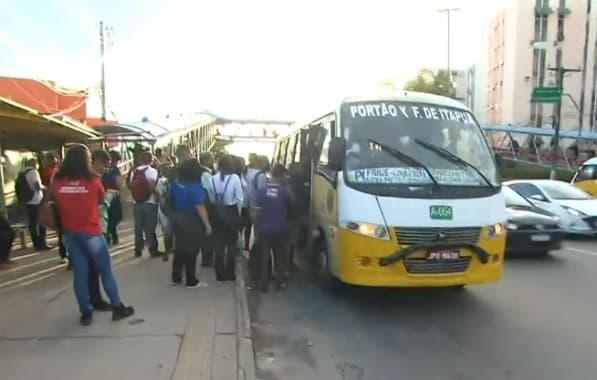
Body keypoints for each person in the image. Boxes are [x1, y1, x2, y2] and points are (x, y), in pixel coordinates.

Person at [52, 144, 134, 326]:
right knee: (106, 271)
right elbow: (100, 199)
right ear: (86, 160)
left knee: (80, 274)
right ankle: (117, 306)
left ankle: (86, 312)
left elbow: (55, 200)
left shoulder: (57, 180)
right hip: (91, 232)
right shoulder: (93, 180)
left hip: (71, 232)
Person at [171, 159, 213, 287]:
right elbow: (200, 207)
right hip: (192, 219)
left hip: (178, 217)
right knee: (192, 250)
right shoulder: (196, 187)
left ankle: (176, 276)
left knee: (179, 248)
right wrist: (207, 225)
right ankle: (191, 280)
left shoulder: (176, 183)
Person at [255, 164, 294, 293]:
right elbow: (292, 205)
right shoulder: (285, 191)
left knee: (264, 256)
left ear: (271, 174)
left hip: (264, 228)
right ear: (283, 175)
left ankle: (264, 283)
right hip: (281, 228)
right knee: (280, 257)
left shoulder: (261, 191)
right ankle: (279, 282)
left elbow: (257, 208)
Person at [89, 149, 117, 312]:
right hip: (93, 229)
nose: (106, 170)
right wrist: (110, 196)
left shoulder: (67, 178)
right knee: (102, 267)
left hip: (74, 230)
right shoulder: (93, 180)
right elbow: (100, 205)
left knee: (86, 270)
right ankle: (115, 305)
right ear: (96, 161)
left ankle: (88, 305)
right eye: (105, 166)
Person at [211, 155, 243, 281]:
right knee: (231, 246)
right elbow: (240, 198)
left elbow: (212, 197)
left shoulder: (213, 178)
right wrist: (238, 214)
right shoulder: (234, 178)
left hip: (217, 213)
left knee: (219, 246)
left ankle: (219, 273)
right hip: (231, 212)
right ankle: (230, 273)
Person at [127, 151, 160, 258]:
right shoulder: (153, 171)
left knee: (138, 227)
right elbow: (154, 186)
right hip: (150, 202)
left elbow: (130, 185)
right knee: (150, 227)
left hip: (137, 203)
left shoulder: (134, 171)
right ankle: (152, 249)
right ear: (151, 160)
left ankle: (138, 248)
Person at [21, 158, 50, 251]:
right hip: (37, 200)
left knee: (32, 222)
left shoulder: (23, 173)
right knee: (41, 222)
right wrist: (46, 188)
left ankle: (35, 243)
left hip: (28, 200)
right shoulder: (33, 172)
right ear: (35, 164)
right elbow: (37, 186)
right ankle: (41, 243)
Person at [103, 151, 124, 245]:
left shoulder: (102, 169)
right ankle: (110, 235)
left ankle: (112, 235)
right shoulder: (115, 170)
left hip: (103, 196)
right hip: (114, 196)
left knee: (107, 216)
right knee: (116, 216)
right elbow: (119, 184)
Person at [198, 152, 215, 267]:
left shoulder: (197, 172)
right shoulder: (206, 175)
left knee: (203, 231)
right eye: (212, 159)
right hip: (206, 205)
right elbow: (210, 191)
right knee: (208, 231)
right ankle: (206, 258)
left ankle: (206, 256)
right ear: (208, 160)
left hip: (198, 205)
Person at [156, 166, 176, 261]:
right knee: (174, 232)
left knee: (166, 233)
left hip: (164, 210)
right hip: (174, 211)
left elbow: (159, 196)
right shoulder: (178, 183)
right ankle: (171, 251)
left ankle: (166, 252)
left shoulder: (161, 183)